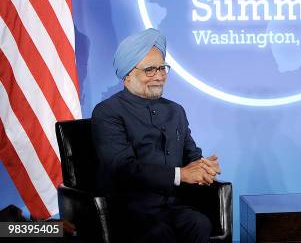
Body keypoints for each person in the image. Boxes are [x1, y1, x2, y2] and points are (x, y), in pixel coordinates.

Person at [91, 28, 220, 243]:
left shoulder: (175, 110)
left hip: (171, 207)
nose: (159, 76)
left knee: (199, 223)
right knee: (159, 234)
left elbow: (191, 154)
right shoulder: (107, 112)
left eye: (162, 68)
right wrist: (181, 175)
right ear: (128, 74)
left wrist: (205, 167)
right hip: (130, 211)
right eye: (150, 70)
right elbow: (123, 168)